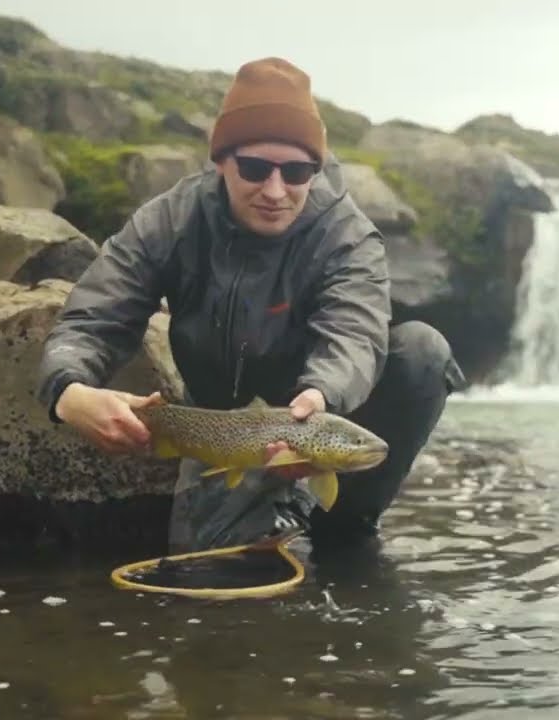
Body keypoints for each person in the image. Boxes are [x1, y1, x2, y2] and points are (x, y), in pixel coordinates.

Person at [36, 56, 465, 553]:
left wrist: (321, 397)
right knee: (210, 579)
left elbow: (355, 331)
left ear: (315, 169)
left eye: (297, 171)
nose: (276, 190)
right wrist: (67, 392)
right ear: (222, 159)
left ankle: (345, 525)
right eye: (256, 168)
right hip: (220, 427)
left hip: (316, 414)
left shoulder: (347, 234)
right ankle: (267, 513)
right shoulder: (169, 220)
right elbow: (94, 315)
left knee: (421, 352)